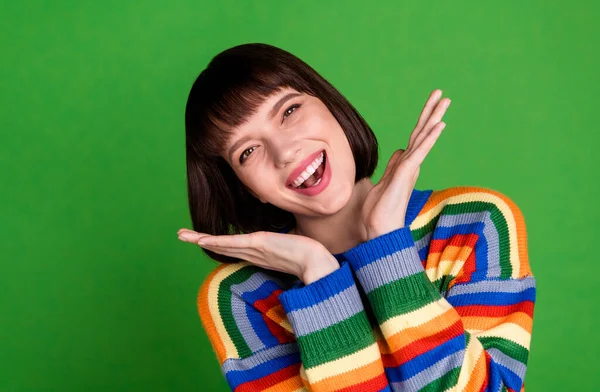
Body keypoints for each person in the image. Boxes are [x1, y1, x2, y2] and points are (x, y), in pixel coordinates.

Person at [178, 43, 536, 392]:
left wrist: (387, 246)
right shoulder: (241, 298)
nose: (285, 152)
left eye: (289, 111)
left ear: (330, 105)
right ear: (244, 186)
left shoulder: (472, 225)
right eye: (248, 151)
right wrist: (318, 276)